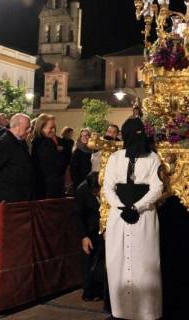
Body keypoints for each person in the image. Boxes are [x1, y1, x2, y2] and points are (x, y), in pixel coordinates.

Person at [103, 117, 163, 320]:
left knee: (144, 265)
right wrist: (121, 207)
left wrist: (137, 207)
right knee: (117, 262)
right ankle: (121, 311)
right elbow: (108, 187)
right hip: (119, 216)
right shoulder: (116, 158)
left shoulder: (152, 158)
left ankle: (146, 313)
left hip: (143, 216)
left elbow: (157, 188)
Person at [0, 114, 35, 202]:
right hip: (7, 196)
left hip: (18, 195)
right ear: (17, 126)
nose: (29, 130)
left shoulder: (20, 141)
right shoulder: (5, 142)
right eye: (27, 127)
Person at [75, 171, 105, 302]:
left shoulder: (107, 186)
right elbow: (78, 216)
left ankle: (100, 291)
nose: (96, 193)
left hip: (103, 230)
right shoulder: (82, 191)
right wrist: (84, 237)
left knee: (101, 262)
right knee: (88, 262)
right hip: (89, 231)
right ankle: (88, 292)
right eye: (94, 191)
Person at [31, 114, 66, 198]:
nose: (53, 131)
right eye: (50, 128)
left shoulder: (36, 140)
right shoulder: (47, 142)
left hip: (42, 184)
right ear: (41, 127)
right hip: (50, 186)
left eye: (54, 128)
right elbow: (59, 165)